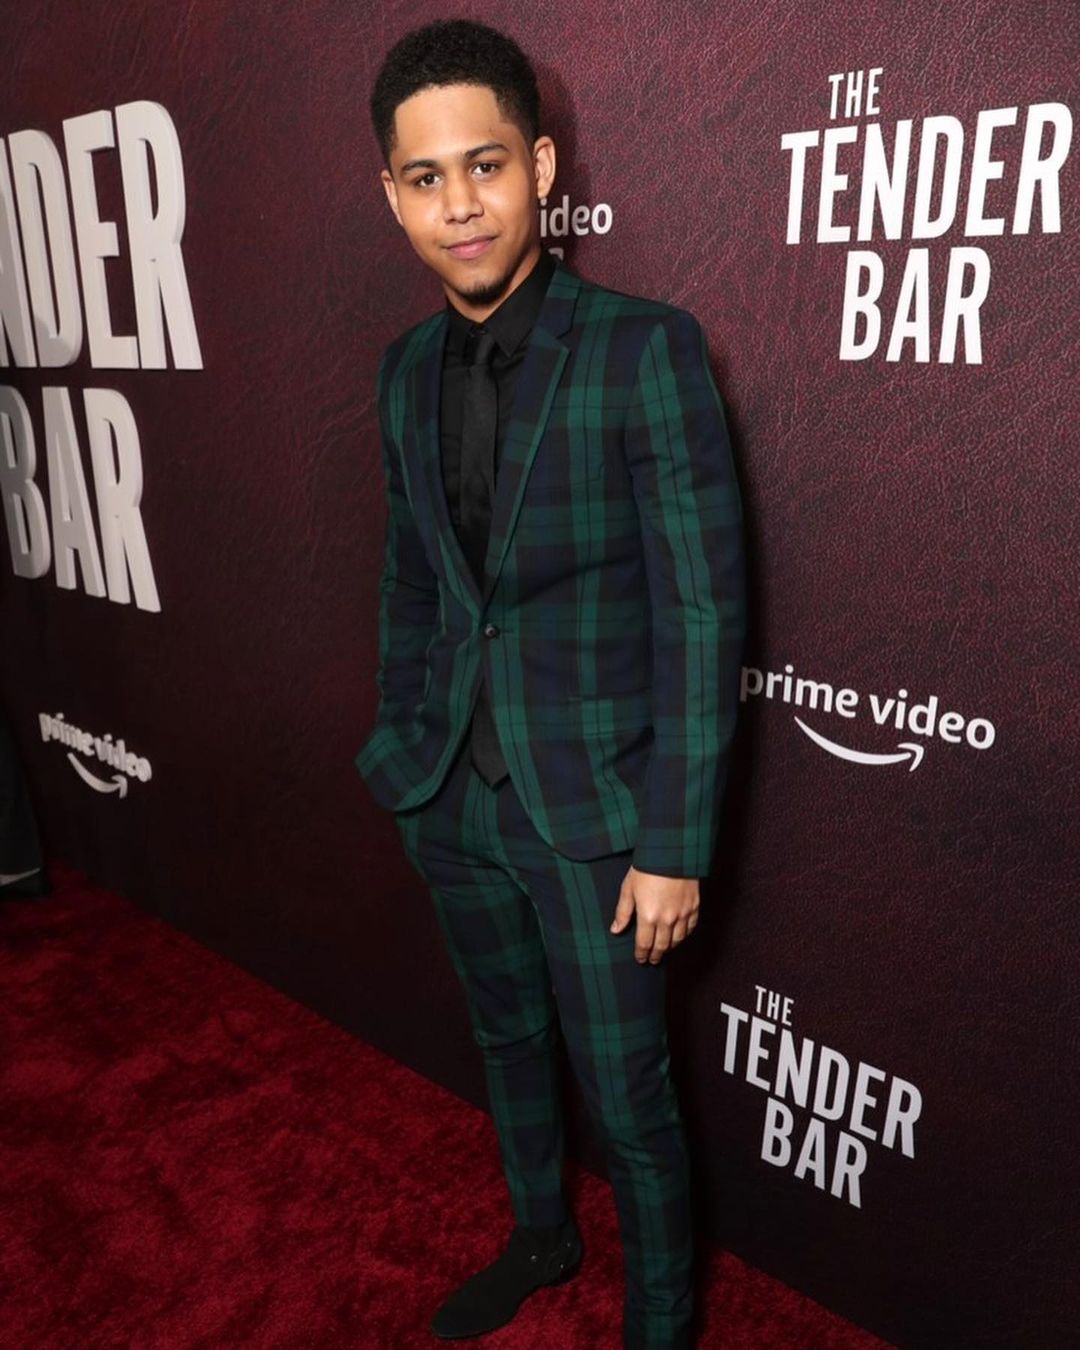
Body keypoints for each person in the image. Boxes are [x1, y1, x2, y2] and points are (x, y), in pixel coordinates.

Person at [356, 19, 746, 1349]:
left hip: (597, 816)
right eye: (426, 178)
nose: (460, 205)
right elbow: (414, 580)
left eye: (485, 166)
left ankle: (659, 1322)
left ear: (538, 165)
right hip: (449, 792)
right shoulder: (402, 373)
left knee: (628, 1092)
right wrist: (404, 749)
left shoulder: (646, 349)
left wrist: (674, 842)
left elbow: (702, 612)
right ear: (393, 195)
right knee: (507, 1041)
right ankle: (539, 1232)